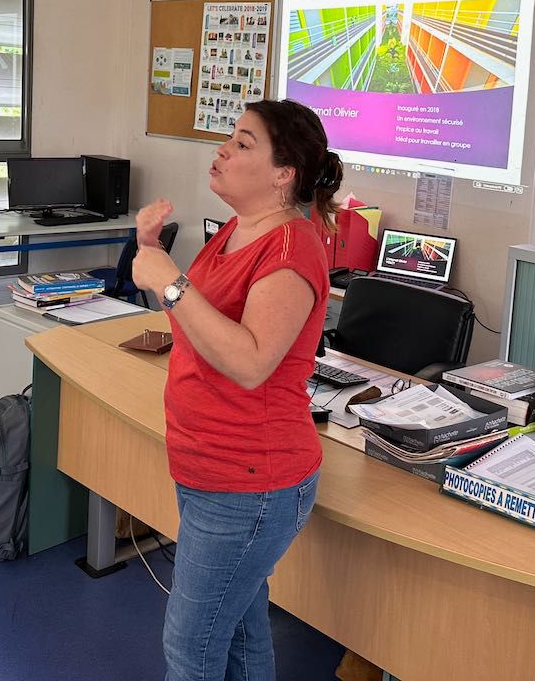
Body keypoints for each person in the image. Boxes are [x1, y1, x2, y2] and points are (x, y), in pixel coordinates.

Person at [131, 98, 344, 681]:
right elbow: (200, 326)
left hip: (249, 481)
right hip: (208, 465)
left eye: (244, 143)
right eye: (231, 137)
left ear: (283, 174)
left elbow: (250, 362)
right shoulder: (236, 229)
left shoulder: (292, 249)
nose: (223, 150)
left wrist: (169, 282)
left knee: (190, 651)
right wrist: (154, 255)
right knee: (242, 635)